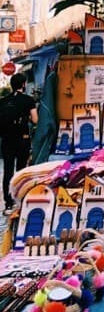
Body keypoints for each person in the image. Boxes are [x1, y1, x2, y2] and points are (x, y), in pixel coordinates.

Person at [0, 73, 38, 214]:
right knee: (21, 171)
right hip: (23, 139)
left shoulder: (3, 101)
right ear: (23, 84)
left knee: (8, 171)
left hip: (6, 140)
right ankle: (20, 200)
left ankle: (8, 204)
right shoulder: (28, 100)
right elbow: (35, 120)